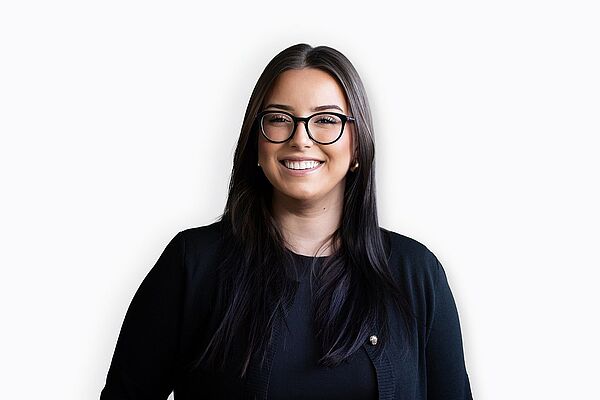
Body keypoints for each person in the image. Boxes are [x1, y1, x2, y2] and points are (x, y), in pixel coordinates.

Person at [100, 43, 473, 400]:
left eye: (326, 120)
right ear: (256, 142)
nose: (301, 139)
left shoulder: (416, 274)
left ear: (357, 145)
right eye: (279, 119)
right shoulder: (193, 264)